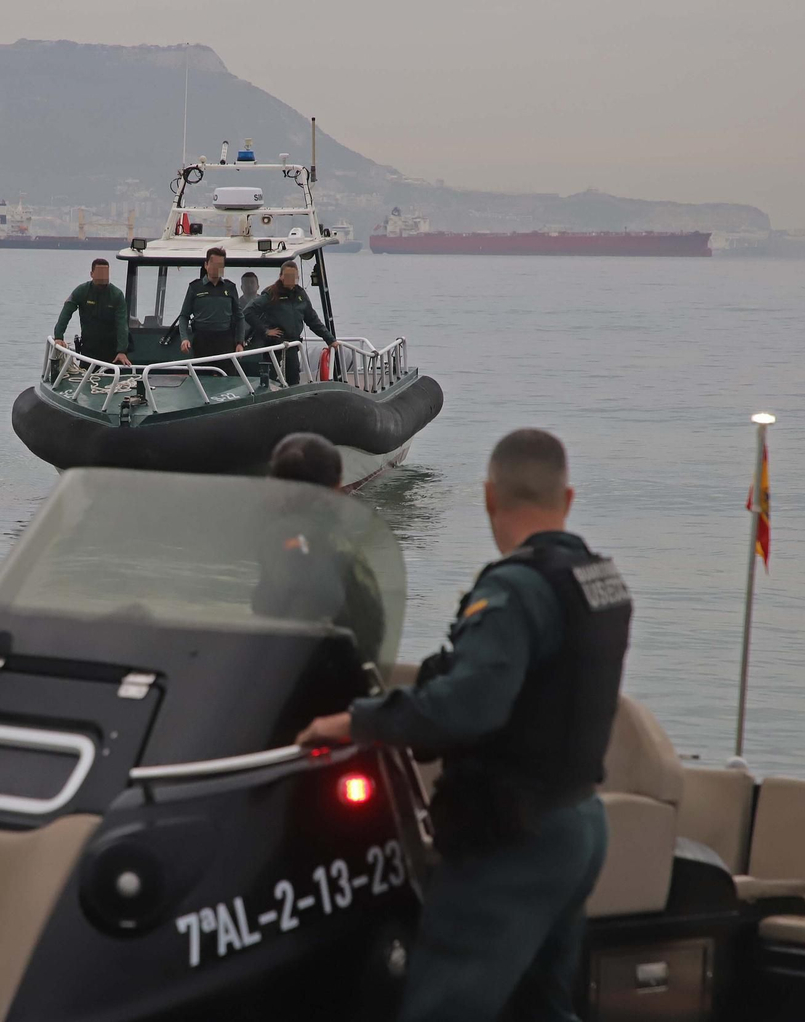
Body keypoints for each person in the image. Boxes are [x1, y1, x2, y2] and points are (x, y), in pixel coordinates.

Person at [296, 429, 631, 1022]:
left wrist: (353, 722)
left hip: (511, 837)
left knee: (443, 1006)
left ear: (487, 498)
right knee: (541, 1007)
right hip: (579, 822)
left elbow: (468, 708)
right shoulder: (599, 580)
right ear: (569, 498)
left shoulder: (514, 590)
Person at [253, 433, 384, 663]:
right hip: (353, 666)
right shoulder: (335, 532)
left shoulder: (290, 535)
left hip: (307, 671)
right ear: (335, 485)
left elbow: (322, 596)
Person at [245, 260, 336, 384]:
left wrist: (330, 339)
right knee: (271, 382)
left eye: (293, 276)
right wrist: (265, 330)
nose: (290, 279)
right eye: (287, 276)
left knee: (293, 380)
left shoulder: (300, 295)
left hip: (293, 345)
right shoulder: (271, 293)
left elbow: (312, 320)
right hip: (275, 346)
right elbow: (248, 312)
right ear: (281, 276)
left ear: (297, 277)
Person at [53, 258, 130, 366]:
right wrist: (58, 336)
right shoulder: (82, 291)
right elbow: (67, 311)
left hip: (111, 350)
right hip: (88, 348)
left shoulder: (116, 295)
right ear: (91, 274)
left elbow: (122, 324)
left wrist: (122, 350)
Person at [177, 246, 242, 358]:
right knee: (201, 374)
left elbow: (239, 317)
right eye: (214, 264)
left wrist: (240, 342)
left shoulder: (230, 288)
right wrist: (184, 339)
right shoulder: (195, 288)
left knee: (227, 374)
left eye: (220, 265)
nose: (217, 268)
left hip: (225, 340)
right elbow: (184, 316)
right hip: (202, 340)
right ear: (206, 265)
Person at [238, 271, 262, 348]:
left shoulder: (265, 304)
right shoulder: (236, 305)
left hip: (261, 341)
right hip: (240, 342)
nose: (249, 285)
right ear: (241, 287)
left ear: (258, 286)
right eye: (246, 283)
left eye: (252, 282)